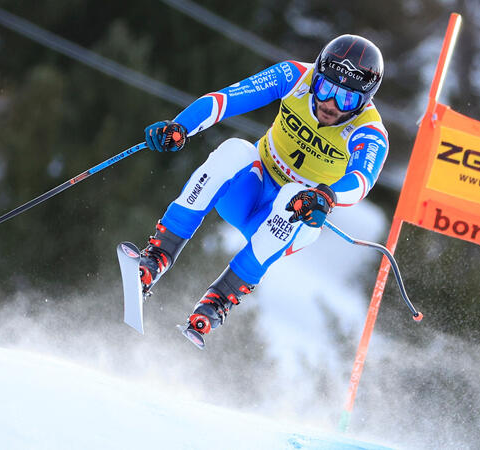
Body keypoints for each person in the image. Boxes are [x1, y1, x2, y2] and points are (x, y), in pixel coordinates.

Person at [140, 34, 389, 348]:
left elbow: (362, 179)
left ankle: (217, 302)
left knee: (292, 195)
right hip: (248, 193)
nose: (330, 104)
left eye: (347, 99)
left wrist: (326, 196)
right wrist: (181, 126)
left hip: (293, 219)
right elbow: (227, 99)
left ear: (364, 100)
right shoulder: (296, 77)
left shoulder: (370, 130)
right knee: (234, 149)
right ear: (317, 78)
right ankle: (156, 257)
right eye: (325, 88)